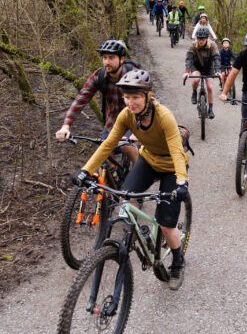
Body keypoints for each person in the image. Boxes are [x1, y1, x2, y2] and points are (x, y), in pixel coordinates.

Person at [71, 70, 190, 290]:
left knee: (166, 224)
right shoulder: (126, 115)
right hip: (148, 159)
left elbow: (176, 151)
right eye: (127, 97)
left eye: (135, 97)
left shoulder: (164, 116)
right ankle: (139, 231)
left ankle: (178, 260)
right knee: (124, 197)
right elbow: (108, 145)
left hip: (172, 167)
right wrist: (86, 171)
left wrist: (182, 181)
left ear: (148, 95)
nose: (130, 102)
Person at [55, 39, 138, 163]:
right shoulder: (99, 76)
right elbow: (81, 99)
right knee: (100, 157)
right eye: (104, 58)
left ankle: (139, 178)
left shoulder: (134, 74)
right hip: (113, 123)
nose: (107, 62)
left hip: (135, 122)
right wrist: (66, 125)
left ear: (122, 59)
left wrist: (137, 132)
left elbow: (147, 103)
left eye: (111, 57)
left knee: (127, 146)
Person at [184, 26, 221, 119]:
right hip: (196, 66)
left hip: (208, 67)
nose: (200, 41)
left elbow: (217, 58)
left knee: (210, 87)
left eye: (203, 39)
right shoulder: (193, 45)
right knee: (196, 79)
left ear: (207, 38)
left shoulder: (212, 45)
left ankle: (211, 109)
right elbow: (189, 59)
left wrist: (217, 71)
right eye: (199, 38)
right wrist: (187, 71)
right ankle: (194, 92)